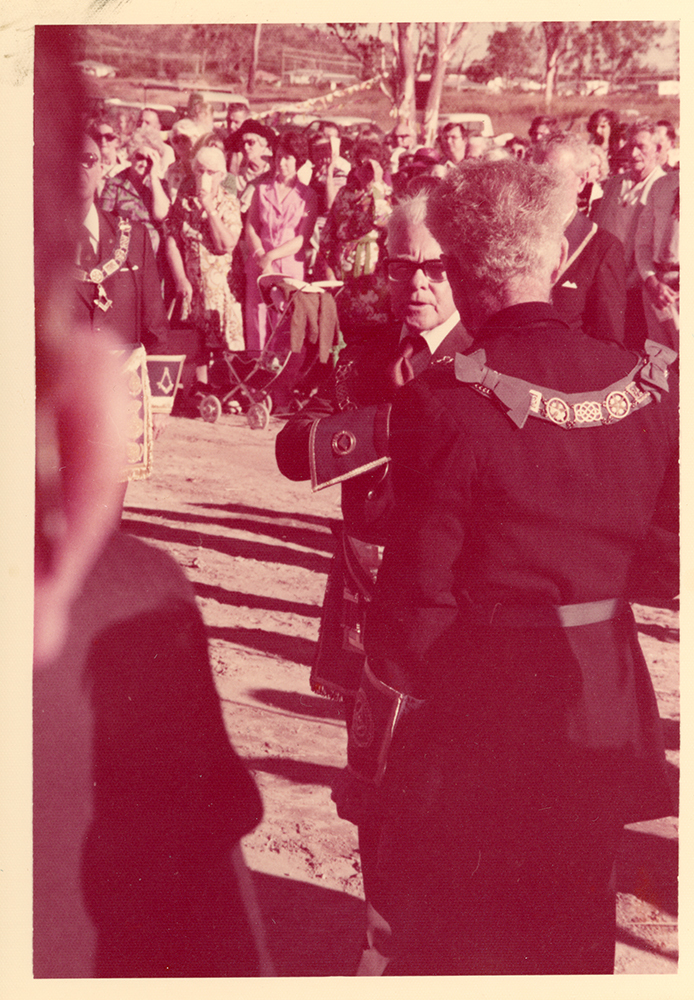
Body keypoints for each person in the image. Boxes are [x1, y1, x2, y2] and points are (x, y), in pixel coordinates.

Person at [332, 158, 677, 975]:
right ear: (553, 261)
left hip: (485, 696)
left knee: (471, 925)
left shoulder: (446, 396)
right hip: (604, 685)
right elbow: (667, 566)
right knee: (578, 916)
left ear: (462, 269)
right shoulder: (653, 383)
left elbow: (418, 599)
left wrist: (379, 746)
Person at [276, 191, 471, 975]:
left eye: (436, 268)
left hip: (457, 618)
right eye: (403, 268)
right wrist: (391, 419)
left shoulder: (492, 359)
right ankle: (380, 950)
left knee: (455, 791)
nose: (418, 285)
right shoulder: (365, 354)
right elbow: (296, 447)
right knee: (374, 787)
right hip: (370, 600)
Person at [532, 132, 626, 343]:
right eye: (537, 174)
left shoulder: (602, 247)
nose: (542, 183)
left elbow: (608, 343)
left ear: (581, 181)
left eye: (553, 175)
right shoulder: (516, 236)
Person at [165, 143, 244, 387]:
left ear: (221, 176)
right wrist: (180, 279)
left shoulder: (229, 203)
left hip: (220, 289)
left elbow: (226, 245)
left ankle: (225, 389)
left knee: (222, 344)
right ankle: (199, 389)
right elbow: (171, 241)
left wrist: (210, 209)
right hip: (193, 286)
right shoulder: (184, 202)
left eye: (211, 172)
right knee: (194, 340)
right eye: (200, 171)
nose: (204, 177)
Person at [593, 120, 666, 349]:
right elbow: (599, 228)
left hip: (638, 286)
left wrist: (630, 281)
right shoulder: (614, 184)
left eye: (641, 147)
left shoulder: (663, 187)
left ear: (657, 150)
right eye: (631, 146)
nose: (634, 153)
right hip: (605, 281)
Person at [244, 129, 318, 353]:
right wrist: (259, 254)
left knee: (285, 321)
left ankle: (283, 376)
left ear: (298, 161)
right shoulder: (261, 189)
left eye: (287, 157)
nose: (281, 162)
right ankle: (255, 372)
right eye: (278, 156)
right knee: (257, 319)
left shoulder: (308, 195)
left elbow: (302, 238)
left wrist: (272, 256)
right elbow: (250, 226)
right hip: (260, 266)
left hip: (289, 267)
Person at [318, 139, 393, 339]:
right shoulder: (344, 192)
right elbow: (328, 233)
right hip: (341, 270)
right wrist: (327, 267)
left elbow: (382, 219)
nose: (363, 169)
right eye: (359, 164)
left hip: (371, 272)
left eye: (369, 164)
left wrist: (376, 184)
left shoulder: (385, 192)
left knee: (371, 328)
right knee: (341, 327)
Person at [99, 132, 171, 257]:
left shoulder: (160, 185)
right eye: (140, 157)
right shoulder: (114, 184)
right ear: (131, 156)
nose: (144, 164)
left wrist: (154, 177)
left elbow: (162, 216)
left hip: (154, 254)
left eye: (149, 160)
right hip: (124, 248)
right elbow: (104, 222)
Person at [635, 171, 679, 353]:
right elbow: (642, 242)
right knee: (660, 359)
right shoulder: (662, 185)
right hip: (656, 287)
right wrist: (652, 282)